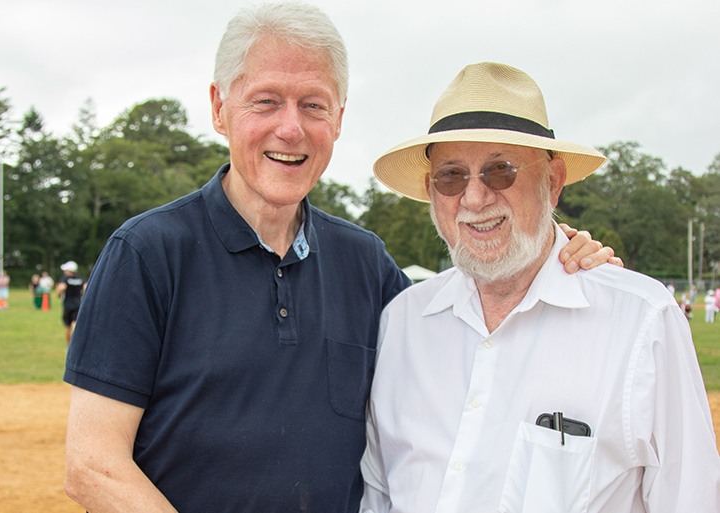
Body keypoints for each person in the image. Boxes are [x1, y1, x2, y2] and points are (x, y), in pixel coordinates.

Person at [62, 6, 617, 512]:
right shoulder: (146, 252)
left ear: (339, 118)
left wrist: (553, 254)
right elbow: (93, 466)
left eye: (313, 105)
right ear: (219, 108)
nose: (291, 128)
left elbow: (470, 328)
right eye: (266, 100)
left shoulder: (365, 262)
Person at [361, 62, 720, 512]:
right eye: (451, 176)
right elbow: (376, 497)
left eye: (501, 171)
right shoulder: (402, 321)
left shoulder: (641, 321)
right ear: (432, 193)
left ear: (553, 183)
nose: (474, 199)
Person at [55, 261, 87, 346]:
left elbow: (61, 287)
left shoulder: (65, 278)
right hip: (78, 304)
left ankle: (69, 346)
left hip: (68, 305)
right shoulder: (81, 278)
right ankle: (77, 341)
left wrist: (58, 294)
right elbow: (85, 288)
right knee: (75, 323)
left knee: (67, 326)